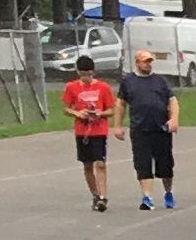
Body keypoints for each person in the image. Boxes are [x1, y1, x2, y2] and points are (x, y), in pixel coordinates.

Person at [121, 43, 181, 210]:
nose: (148, 64)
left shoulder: (160, 81)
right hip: (140, 129)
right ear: (137, 63)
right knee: (143, 163)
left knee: (165, 165)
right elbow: (121, 104)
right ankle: (147, 197)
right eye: (144, 61)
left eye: (149, 61)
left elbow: (173, 101)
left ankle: (168, 193)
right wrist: (117, 126)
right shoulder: (128, 82)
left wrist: (174, 119)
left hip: (160, 129)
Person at [60, 55, 118, 209]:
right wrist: (78, 113)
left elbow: (111, 110)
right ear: (78, 73)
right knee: (87, 165)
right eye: (83, 75)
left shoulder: (103, 88)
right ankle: (95, 194)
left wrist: (100, 113)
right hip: (82, 131)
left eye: (89, 74)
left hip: (98, 130)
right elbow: (66, 108)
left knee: (100, 163)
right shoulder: (71, 87)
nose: (87, 78)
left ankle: (103, 196)